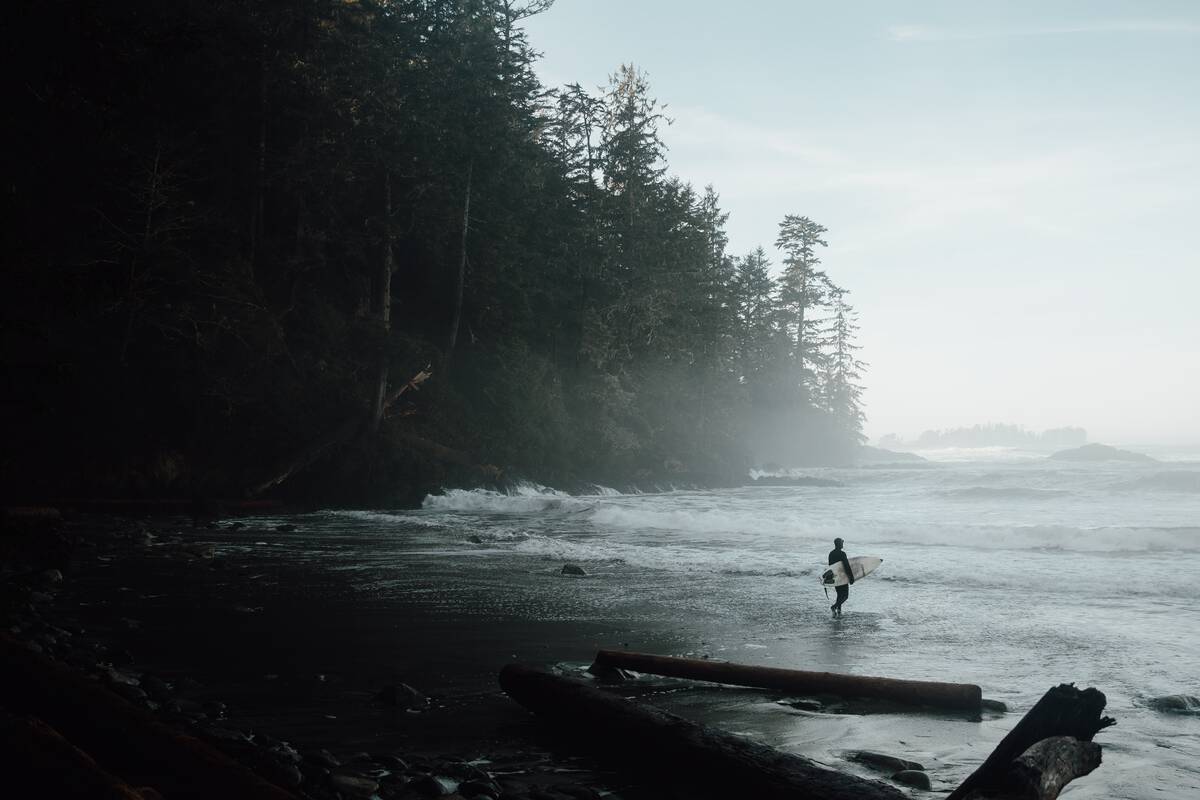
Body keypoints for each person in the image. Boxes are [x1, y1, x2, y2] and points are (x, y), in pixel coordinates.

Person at [828, 537, 853, 616]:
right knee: (845, 596)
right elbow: (846, 566)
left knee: (839, 595)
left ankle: (839, 611)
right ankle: (834, 607)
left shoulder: (831, 553)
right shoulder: (842, 554)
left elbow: (830, 566)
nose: (843, 544)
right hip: (842, 576)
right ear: (839, 544)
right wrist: (851, 577)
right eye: (842, 543)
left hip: (835, 577)